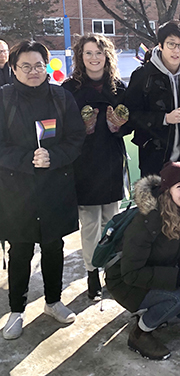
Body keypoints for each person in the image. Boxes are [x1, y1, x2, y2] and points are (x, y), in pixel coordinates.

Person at [0, 41, 86, 340]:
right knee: (20, 249)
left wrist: (54, 156)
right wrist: (26, 160)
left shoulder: (61, 97)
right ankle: (16, 310)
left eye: (39, 65)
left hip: (54, 186)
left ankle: (52, 301)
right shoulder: (4, 98)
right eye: (26, 66)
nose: (33, 71)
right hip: (16, 189)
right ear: (13, 69)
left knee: (53, 247)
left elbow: (76, 137)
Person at [105, 161, 180, 359]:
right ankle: (140, 333)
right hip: (126, 283)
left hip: (157, 273)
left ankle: (155, 308)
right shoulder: (148, 220)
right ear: (167, 191)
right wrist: (178, 278)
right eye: (179, 187)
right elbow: (130, 273)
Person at [63, 34, 129, 301]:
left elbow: (130, 123)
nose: (94, 58)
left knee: (111, 222)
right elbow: (63, 128)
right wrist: (83, 128)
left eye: (99, 53)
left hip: (111, 161)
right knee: (90, 223)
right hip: (84, 163)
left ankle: (111, 272)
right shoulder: (70, 88)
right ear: (81, 56)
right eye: (88, 53)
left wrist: (119, 126)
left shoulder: (118, 88)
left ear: (107, 56)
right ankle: (92, 272)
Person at [124, 20, 180, 177]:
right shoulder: (143, 76)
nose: (176, 50)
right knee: (155, 201)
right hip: (154, 162)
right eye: (171, 44)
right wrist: (164, 118)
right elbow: (131, 115)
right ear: (160, 45)